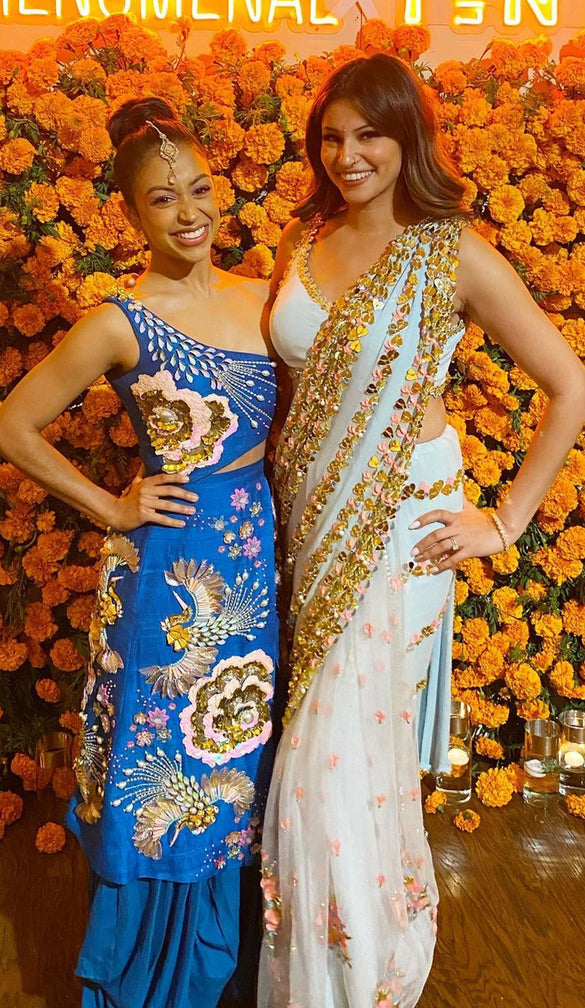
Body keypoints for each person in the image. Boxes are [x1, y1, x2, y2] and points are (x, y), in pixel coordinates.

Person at [258, 54, 585, 1008]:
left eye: (369, 133)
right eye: (331, 137)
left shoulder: (454, 254)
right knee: (324, 756)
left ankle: (350, 981)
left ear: (409, 136)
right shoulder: (303, 236)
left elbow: (569, 385)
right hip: (303, 527)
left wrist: (505, 520)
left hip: (402, 534)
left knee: (334, 764)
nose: (347, 154)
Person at [0, 98, 279, 1008]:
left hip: (253, 567)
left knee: (228, 764)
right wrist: (112, 506)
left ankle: (214, 974)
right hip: (167, 576)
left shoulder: (265, 296)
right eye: (163, 199)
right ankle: (141, 984)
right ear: (129, 214)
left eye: (199, 189)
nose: (189, 212)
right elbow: (13, 423)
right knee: (159, 765)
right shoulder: (119, 321)